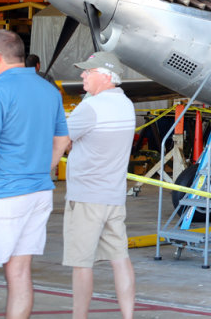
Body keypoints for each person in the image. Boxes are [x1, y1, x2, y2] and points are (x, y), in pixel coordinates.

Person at [0, 29, 69, 319]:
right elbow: (62, 141)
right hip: (38, 193)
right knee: (20, 272)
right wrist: (34, 169)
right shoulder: (49, 90)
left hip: (1, 195)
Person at [54, 51, 136, 319]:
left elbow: (61, 140)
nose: (82, 75)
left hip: (87, 197)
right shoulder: (126, 105)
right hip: (113, 197)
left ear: (104, 75)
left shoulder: (91, 107)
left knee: (81, 264)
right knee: (120, 259)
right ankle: (128, 316)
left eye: (88, 71)